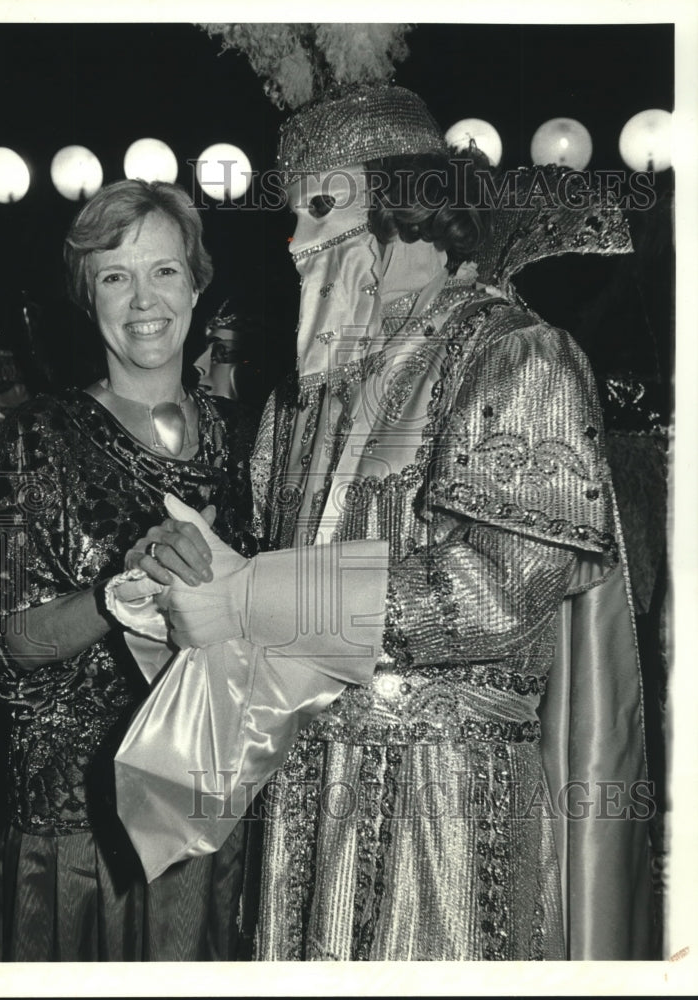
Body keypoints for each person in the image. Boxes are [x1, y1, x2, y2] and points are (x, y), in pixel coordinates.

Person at [111, 86, 654, 960]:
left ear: (411, 201)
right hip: (303, 805)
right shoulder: (303, 402)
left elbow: (493, 596)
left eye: (323, 206)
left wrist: (255, 595)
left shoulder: (518, 356)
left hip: (445, 807)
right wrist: (191, 580)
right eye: (291, 213)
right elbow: (263, 601)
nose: (295, 243)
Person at [0, 179, 255, 961]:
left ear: (197, 283)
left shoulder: (249, 439)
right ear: (85, 297)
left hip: (216, 815)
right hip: (82, 832)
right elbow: (8, 644)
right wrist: (116, 596)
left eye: (163, 271)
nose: (142, 300)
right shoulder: (33, 442)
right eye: (113, 277)